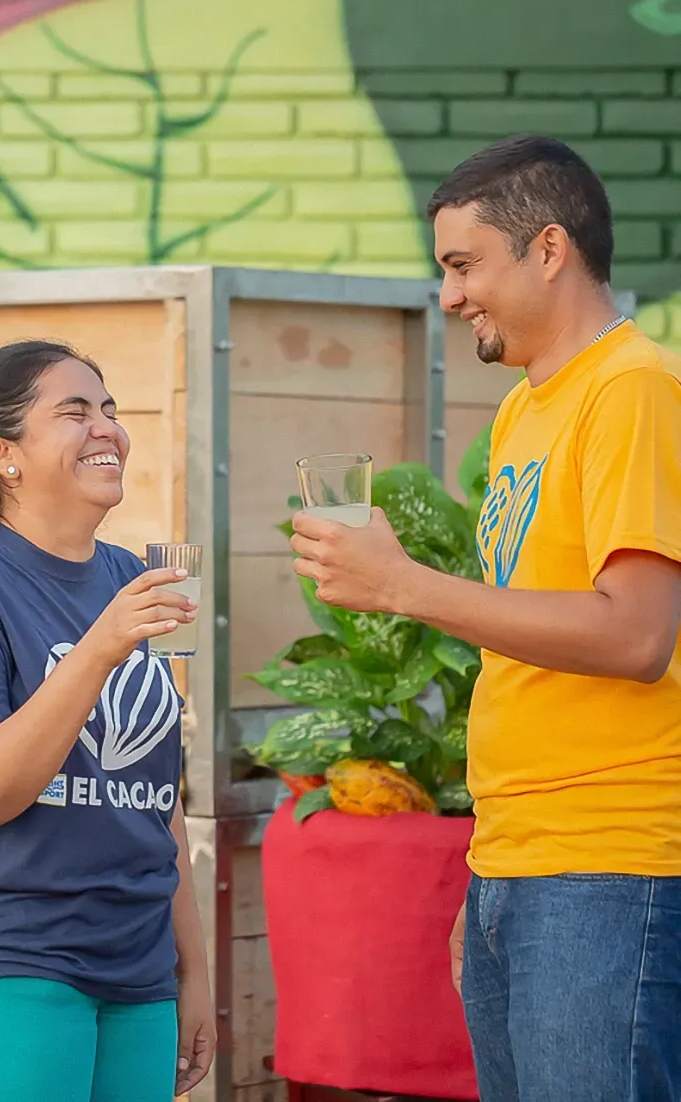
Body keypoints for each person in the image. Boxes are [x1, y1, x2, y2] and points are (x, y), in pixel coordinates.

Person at [288, 134, 681, 1101]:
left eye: (463, 266)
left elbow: (636, 635)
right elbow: (526, 653)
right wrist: (489, 871)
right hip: (525, 863)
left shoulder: (631, 391)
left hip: (611, 861)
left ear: (548, 249)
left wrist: (401, 585)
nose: (450, 296)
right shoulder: (523, 410)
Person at [0, 340, 216, 1102]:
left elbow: (153, 800)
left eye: (110, 410)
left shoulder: (129, 577)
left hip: (135, 973)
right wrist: (99, 647)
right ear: (3, 453)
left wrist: (190, 972)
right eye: (75, 413)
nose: (106, 429)